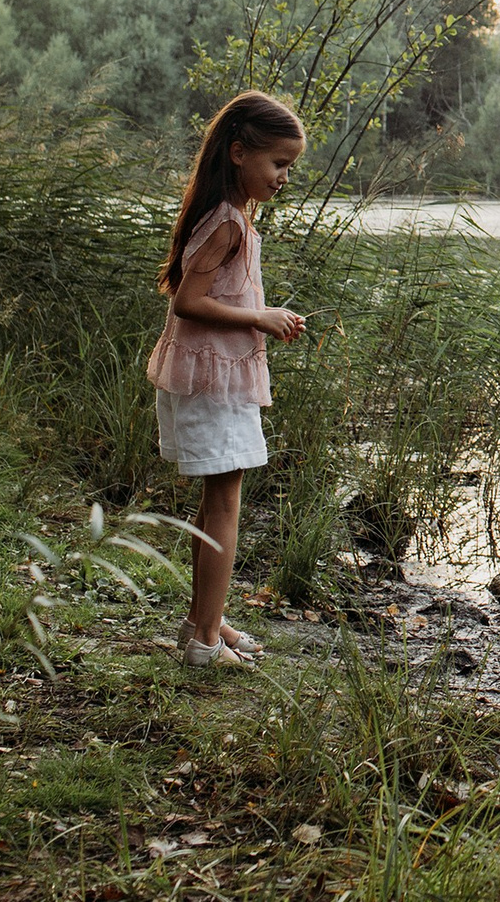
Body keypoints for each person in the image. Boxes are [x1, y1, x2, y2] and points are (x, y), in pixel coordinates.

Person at [148, 91, 310, 667]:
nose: (285, 176)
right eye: (279, 164)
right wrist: (259, 318)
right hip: (212, 381)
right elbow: (188, 302)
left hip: (216, 376)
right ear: (239, 153)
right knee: (223, 505)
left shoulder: (232, 214)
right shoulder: (226, 223)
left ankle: (205, 622)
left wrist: (262, 318)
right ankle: (204, 644)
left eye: (289, 166)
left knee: (220, 501)